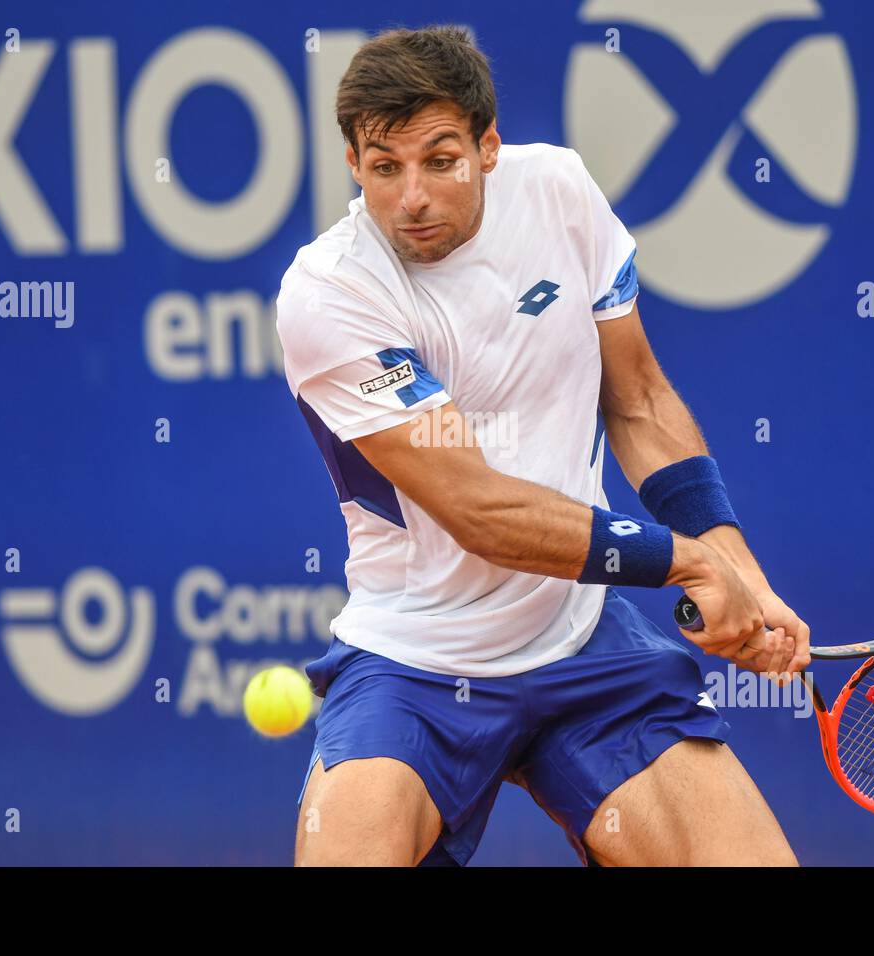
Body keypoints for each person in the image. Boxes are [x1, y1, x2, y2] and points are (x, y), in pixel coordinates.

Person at [275, 24, 810, 866]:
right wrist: (691, 566)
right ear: (353, 166)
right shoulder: (329, 293)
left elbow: (636, 400)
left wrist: (737, 564)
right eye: (384, 168)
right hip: (416, 662)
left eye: (440, 159)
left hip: (580, 642)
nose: (411, 196)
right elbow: (479, 512)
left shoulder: (558, 189)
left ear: (490, 147)